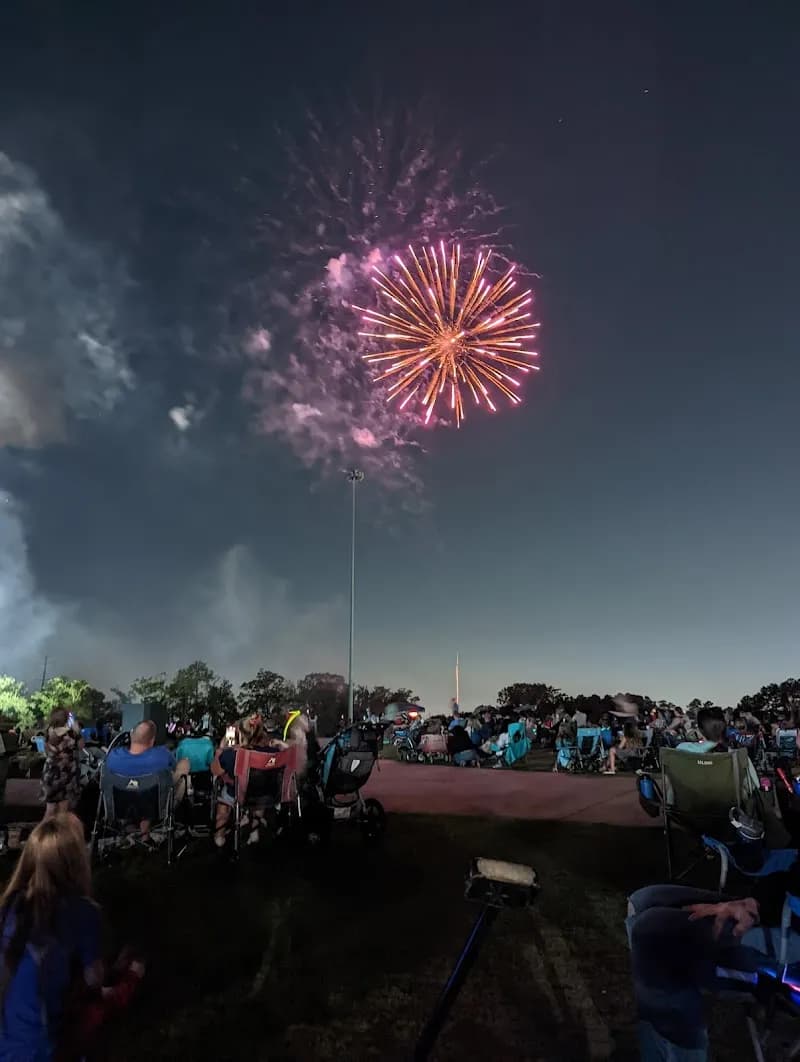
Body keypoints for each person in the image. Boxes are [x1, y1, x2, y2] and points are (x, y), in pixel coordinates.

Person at [0, 813, 144, 1060]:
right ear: (74, 862)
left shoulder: (9, 906)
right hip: (41, 1049)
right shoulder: (80, 911)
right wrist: (128, 975)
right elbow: (94, 981)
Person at [627, 882, 800, 1061]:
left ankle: (678, 1051)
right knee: (643, 902)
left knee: (654, 937)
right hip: (784, 909)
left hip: (792, 948)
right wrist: (750, 905)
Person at [211, 716, 287, 847]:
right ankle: (254, 831)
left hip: (240, 795)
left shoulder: (233, 754)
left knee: (224, 797)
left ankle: (220, 836)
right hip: (265, 796)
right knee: (259, 786)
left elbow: (216, 771)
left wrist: (221, 749)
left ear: (239, 733)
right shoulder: (273, 752)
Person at [105, 721, 189, 837]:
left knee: (135, 787)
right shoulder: (162, 754)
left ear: (131, 735)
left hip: (119, 807)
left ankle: (127, 823)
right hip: (156, 807)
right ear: (152, 741)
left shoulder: (113, 756)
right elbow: (174, 770)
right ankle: (146, 827)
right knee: (184, 764)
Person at [41, 708, 82, 818]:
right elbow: (81, 746)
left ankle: (42, 834)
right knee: (63, 811)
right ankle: (60, 834)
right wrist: (77, 732)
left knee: (50, 810)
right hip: (65, 772)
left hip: (50, 772)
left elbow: (48, 751)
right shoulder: (69, 732)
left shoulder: (48, 730)